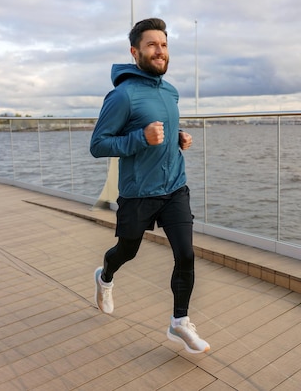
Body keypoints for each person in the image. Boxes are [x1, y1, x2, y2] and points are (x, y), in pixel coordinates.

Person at [89, 18, 210, 354]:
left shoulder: (170, 91)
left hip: (174, 188)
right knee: (127, 250)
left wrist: (179, 137)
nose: (161, 51)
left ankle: (179, 323)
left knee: (186, 255)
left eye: (165, 45)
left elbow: (165, 128)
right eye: (152, 45)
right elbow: (99, 144)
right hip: (138, 192)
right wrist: (140, 139)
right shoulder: (122, 96)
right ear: (135, 51)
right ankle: (105, 276)